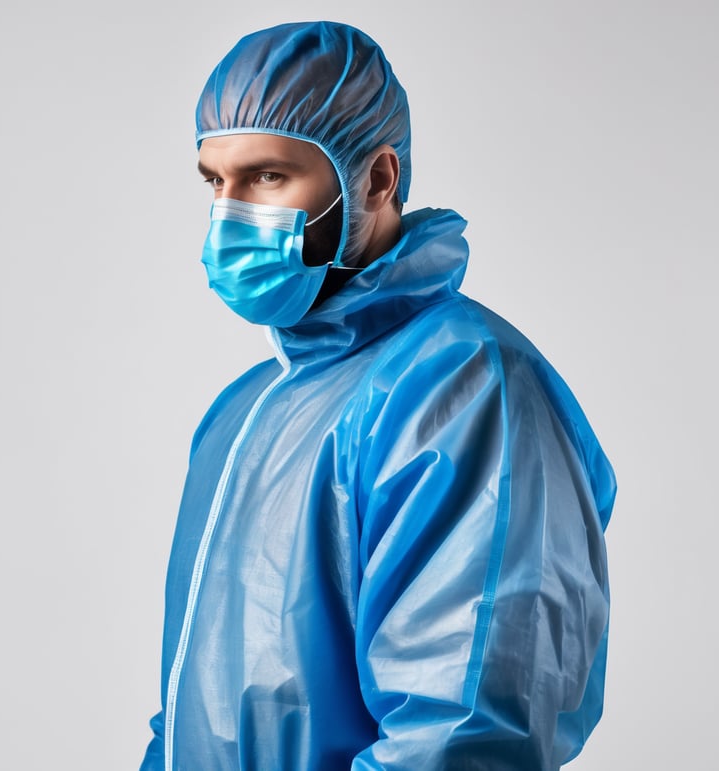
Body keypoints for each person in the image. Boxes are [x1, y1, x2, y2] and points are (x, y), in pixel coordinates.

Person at [141, 20, 615, 771]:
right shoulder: (245, 410)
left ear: (378, 179)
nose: (229, 213)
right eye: (215, 181)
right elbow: (193, 713)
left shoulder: (462, 388)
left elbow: (464, 733)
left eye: (268, 176)